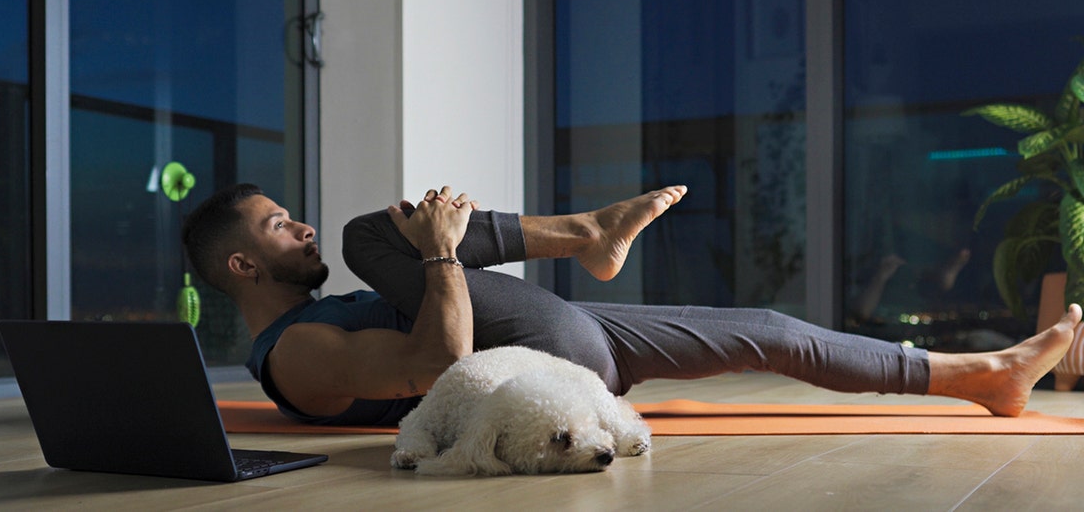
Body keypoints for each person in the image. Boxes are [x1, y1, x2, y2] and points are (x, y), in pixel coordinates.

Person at [182, 183, 1082, 427]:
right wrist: (443, 251)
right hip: (536, 359)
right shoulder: (295, 357)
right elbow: (434, 369)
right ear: (239, 263)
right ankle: (590, 230)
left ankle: (985, 376)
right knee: (364, 234)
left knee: (767, 332)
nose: (293, 226)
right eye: (273, 224)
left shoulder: (323, 317)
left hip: (562, 336)